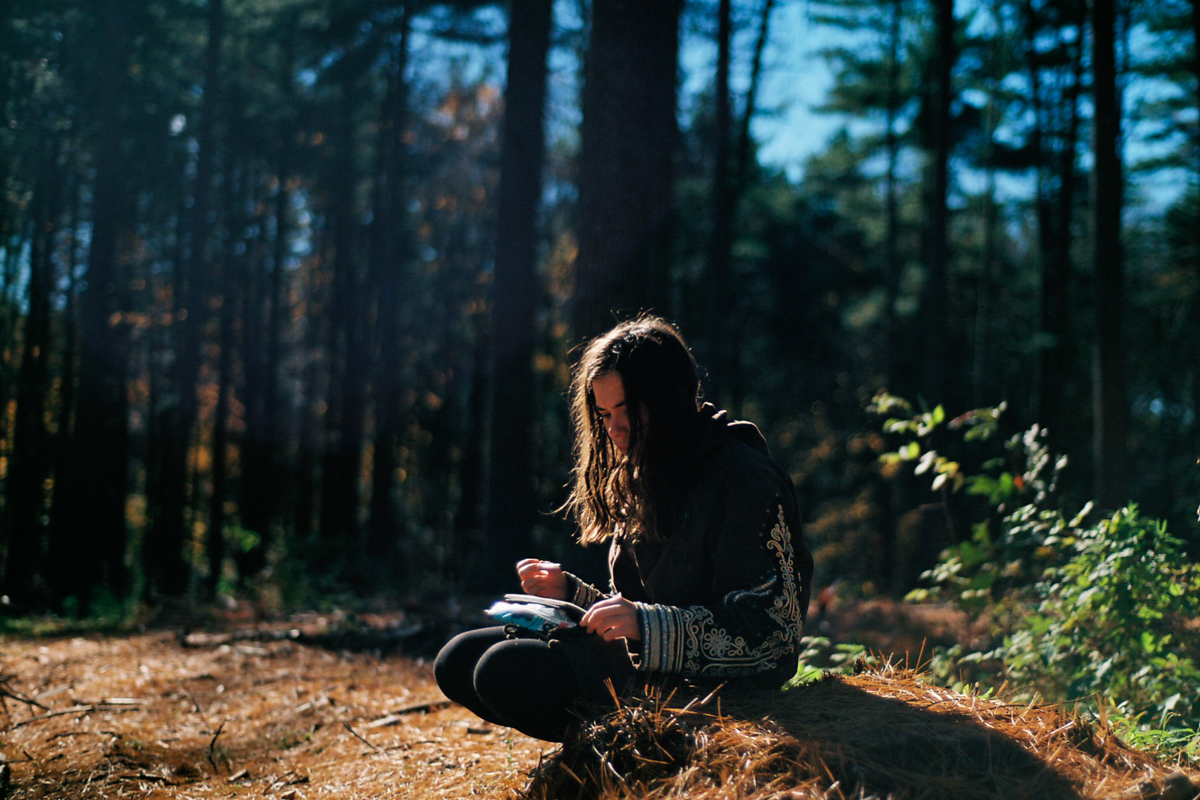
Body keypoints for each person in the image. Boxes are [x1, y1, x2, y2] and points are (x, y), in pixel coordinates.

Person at [433, 316, 813, 742]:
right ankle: (608, 753)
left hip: (713, 698)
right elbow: (637, 611)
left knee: (502, 670)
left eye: (628, 411)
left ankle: (630, 756)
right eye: (605, 414)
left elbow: (772, 640)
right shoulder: (646, 472)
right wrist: (572, 595)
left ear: (671, 398)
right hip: (647, 676)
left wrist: (647, 626)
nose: (614, 429)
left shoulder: (745, 480)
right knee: (457, 659)